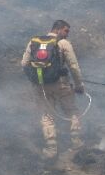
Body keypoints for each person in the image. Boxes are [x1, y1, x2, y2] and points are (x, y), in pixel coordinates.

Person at [21, 20, 85, 160]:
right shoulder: (63, 43)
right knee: (71, 111)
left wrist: (36, 79)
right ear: (57, 29)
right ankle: (76, 142)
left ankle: (51, 149)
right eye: (66, 31)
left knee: (47, 116)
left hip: (40, 86)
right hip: (61, 84)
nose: (67, 35)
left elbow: (24, 63)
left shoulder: (34, 41)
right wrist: (79, 85)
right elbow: (73, 66)